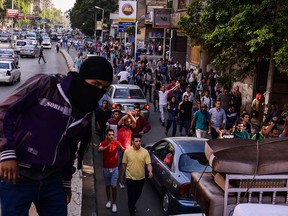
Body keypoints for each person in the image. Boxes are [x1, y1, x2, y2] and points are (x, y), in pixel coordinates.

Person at [0, 56, 113, 215]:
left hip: (52, 180)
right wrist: (7, 153)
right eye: (95, 84)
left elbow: (71, 146)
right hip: (18, 176)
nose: (98, 90)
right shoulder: (45, 84)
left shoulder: (87, 112)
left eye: (104, 88)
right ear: (82, 77)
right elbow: (5, 111)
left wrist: (66, 180)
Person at [120, 134, 153, 216]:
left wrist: (150, 172)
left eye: (139, 141)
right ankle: (132, 212)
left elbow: (148, 164)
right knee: (131, 198)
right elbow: (124, 165)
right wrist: (121, 177)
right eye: (136, 141)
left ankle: (132, 205)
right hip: (130, 179)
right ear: (132, 142)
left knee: (137, 195)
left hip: (141, 179)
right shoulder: (127, 152)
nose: (138, 143)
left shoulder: (145, 152)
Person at [98, 129, 124, 213]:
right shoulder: (103, 143)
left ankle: (114, 203)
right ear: (106, 135)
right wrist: (106, 147)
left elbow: (124, 149)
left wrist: (121, 148)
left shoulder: (117, 142)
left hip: (115, 168)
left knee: (114, 186)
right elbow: (99, 150)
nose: (111, 136)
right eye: (109, 135)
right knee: (107, 186)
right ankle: (109, 200)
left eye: (112, 134)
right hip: (106, 168)